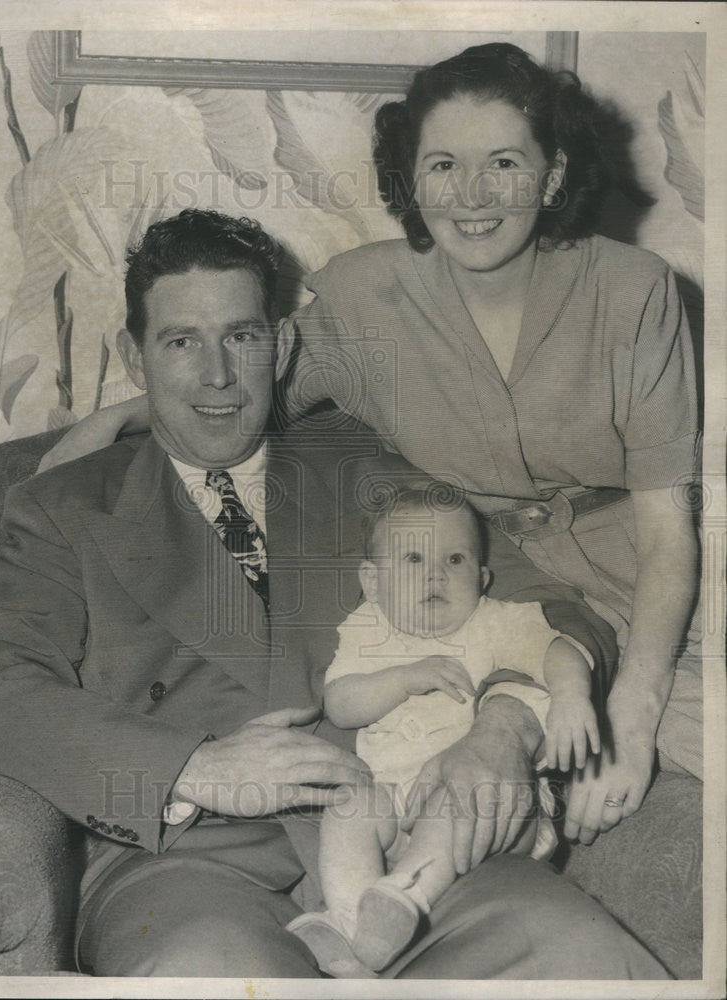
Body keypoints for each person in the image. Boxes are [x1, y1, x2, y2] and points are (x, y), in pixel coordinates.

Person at [0, 209, 668, 979]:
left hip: (413, 847)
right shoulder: (63, 506)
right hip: (194, 866)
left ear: (282, 344)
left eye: (243, 336)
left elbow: (554, 608)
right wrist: (197, 767)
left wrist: (502, 732)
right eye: (182, 341)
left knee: (586, 961)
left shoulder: (355, 458)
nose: (218, 375)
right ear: (135, 357)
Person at [42, 43, 702, 848]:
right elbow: (243, 383)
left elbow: (670, 533)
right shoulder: (363, 300)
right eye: (441, 166)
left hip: (671, 573)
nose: (470, 196)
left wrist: (634, 717)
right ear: (409, 178)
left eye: (503, 162)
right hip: (511, 594)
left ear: (553, 173)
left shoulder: (635, 292)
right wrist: (114, 416)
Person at [287, 485, 600, 975]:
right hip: (394, 801)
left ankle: (403, 895)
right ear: (372, 582)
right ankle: (352, 922)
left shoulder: (492, 622)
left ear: (482, 577)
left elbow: (557, 648)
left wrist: (571, 695)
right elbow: (341, 704)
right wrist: (403, 679)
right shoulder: (366, 628)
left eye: (455, 559)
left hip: (489, 809)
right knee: (349, 808)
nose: (436, 573)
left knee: (455, 798)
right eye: (413, 558)